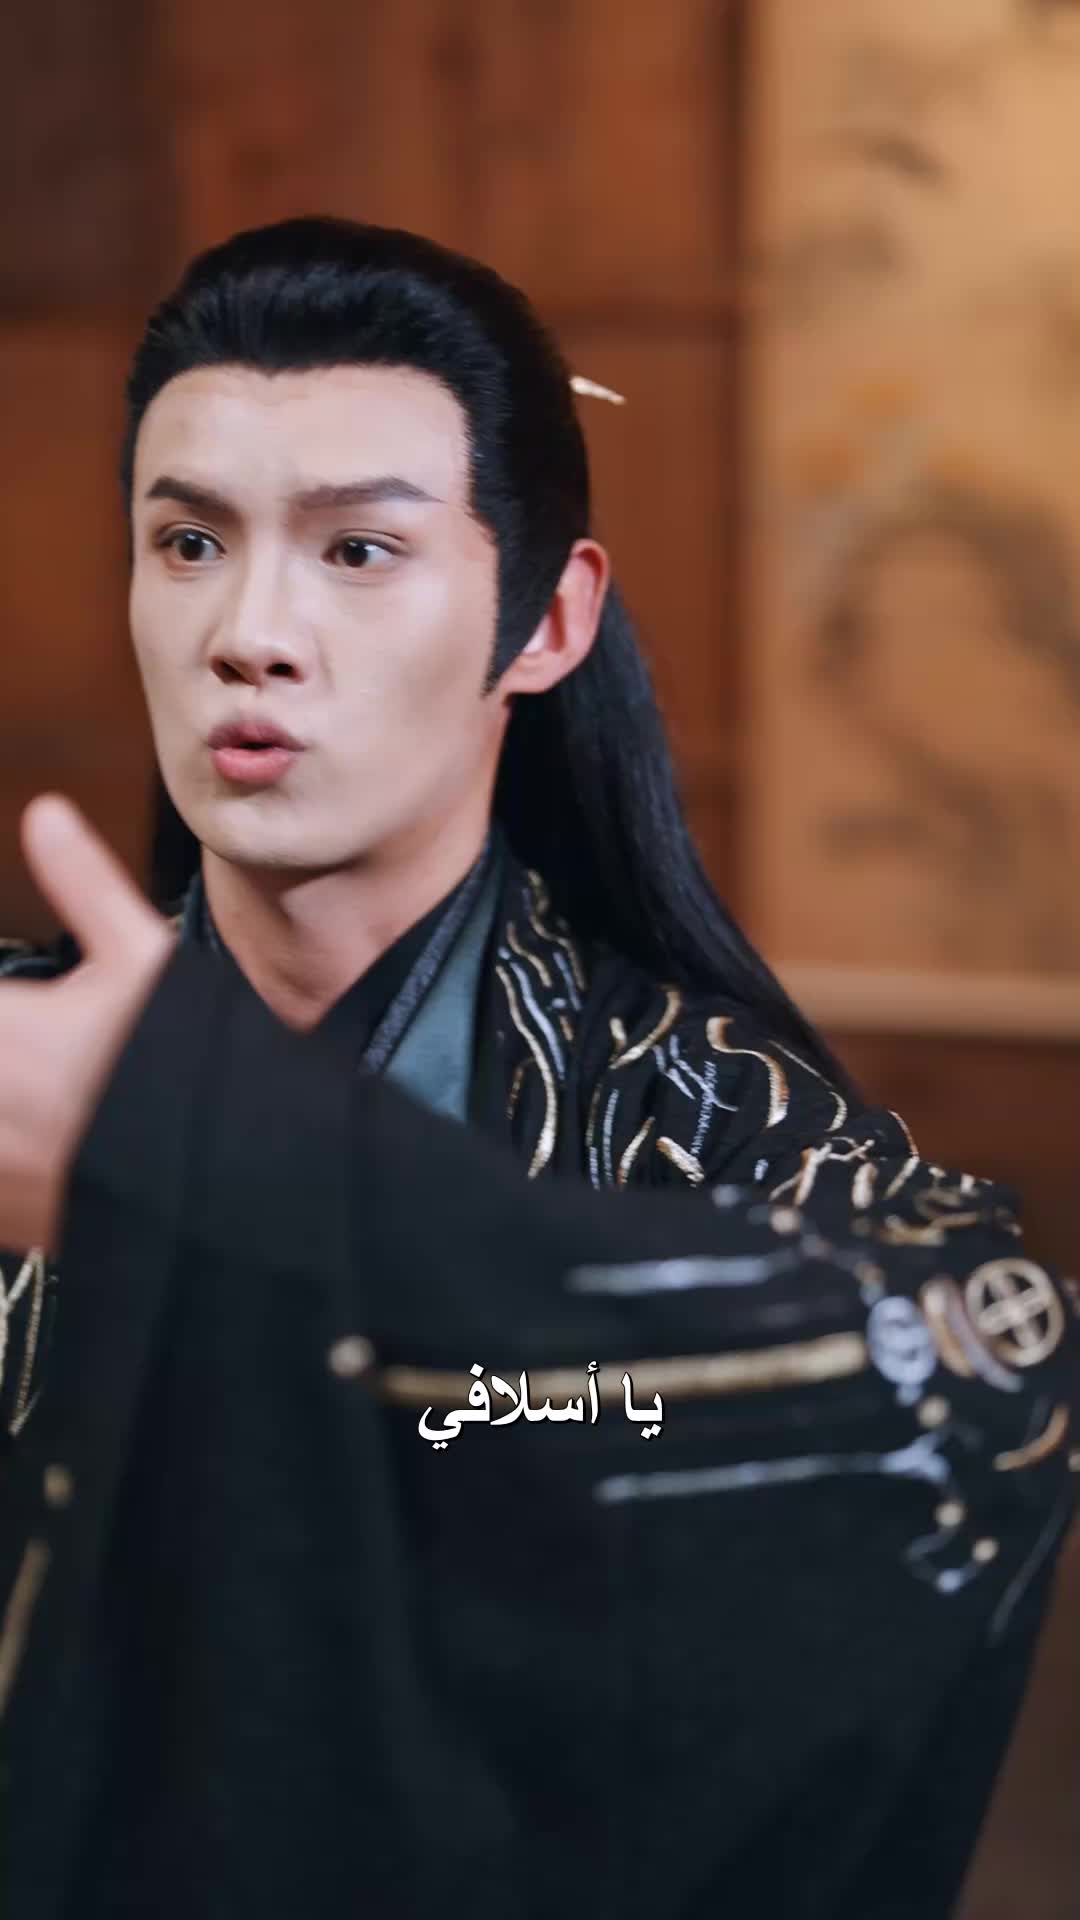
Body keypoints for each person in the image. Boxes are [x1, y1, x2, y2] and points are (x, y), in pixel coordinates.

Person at [0, 219, 1073, 1917]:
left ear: (548, 619)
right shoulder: (21, 1066)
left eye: (360, 549)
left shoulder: (708, 1123)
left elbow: (988, 1380)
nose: (247, 632)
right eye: (188, 540)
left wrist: (223, 1164)